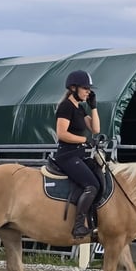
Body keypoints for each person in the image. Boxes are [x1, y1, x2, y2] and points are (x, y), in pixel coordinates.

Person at [54, 69, 101, 238]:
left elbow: (95, 129)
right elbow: (62, 134)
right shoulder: (66, 107)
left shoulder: (79, 108)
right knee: (92, 185)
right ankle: (79, 225)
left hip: (77, 154)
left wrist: (93, 107)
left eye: (89, 89)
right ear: (73, 88)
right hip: (66, 155)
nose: (88, 91)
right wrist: (84, 140)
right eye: (85, 88)